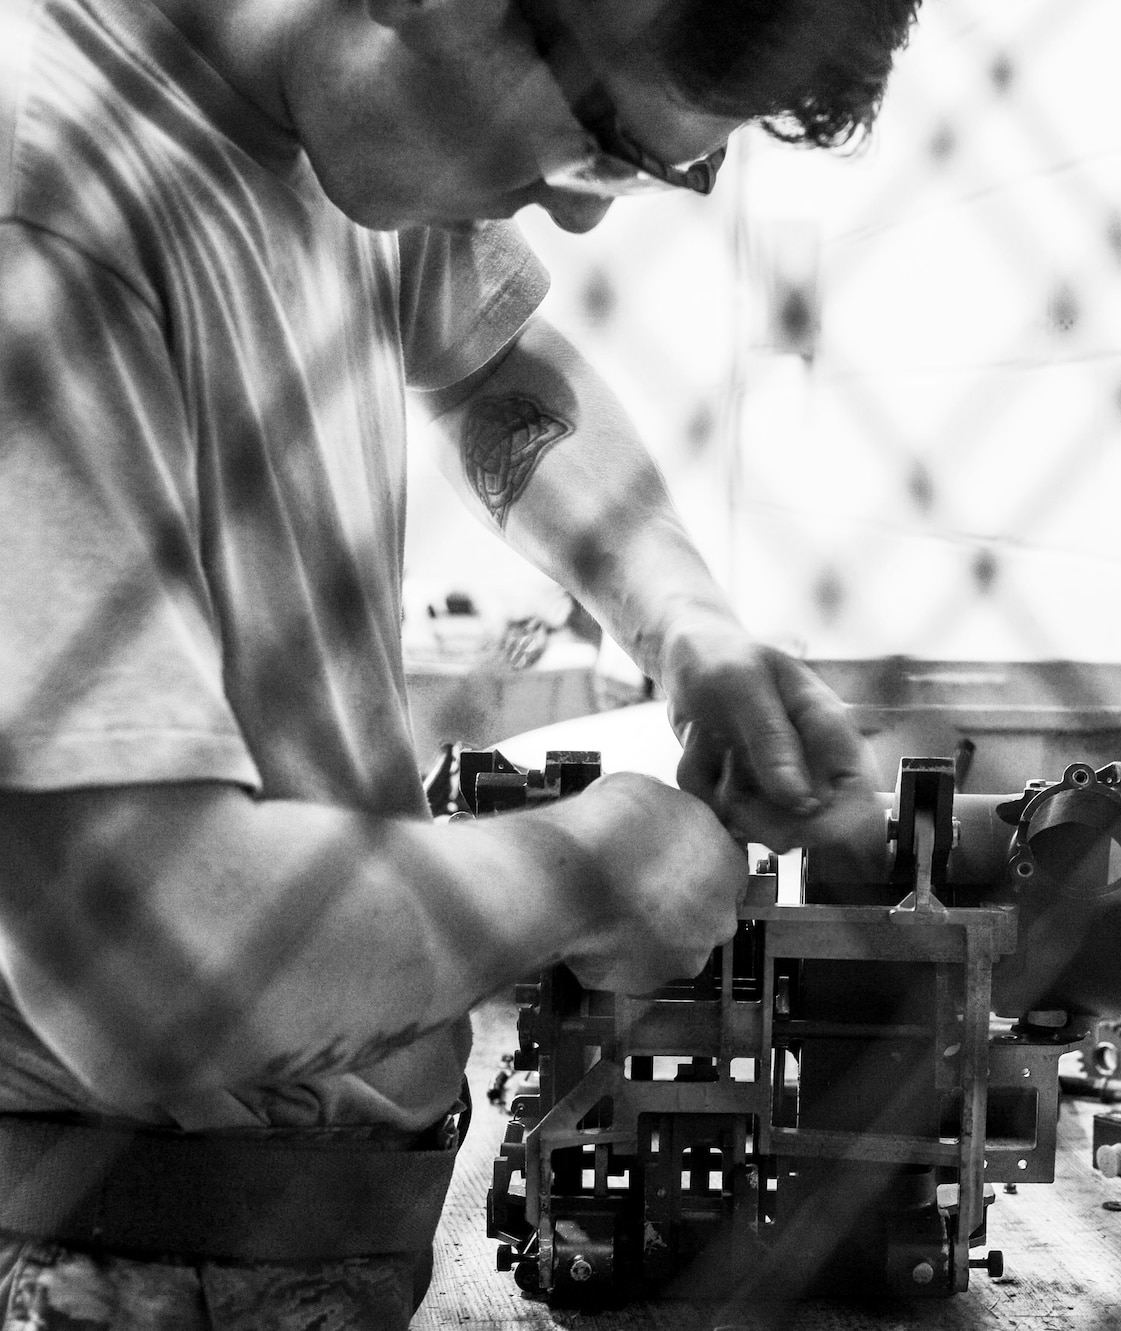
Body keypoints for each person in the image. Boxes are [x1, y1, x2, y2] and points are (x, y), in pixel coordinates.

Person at [0, 0, 920, 1324]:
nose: (589, 216)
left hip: (275, 1230)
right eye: (606, 142)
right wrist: (596, 871)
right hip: (106, 1256)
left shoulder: (327, 117)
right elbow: (145, 959)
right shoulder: (49, 203)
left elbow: (497, 366)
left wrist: (682, 620)